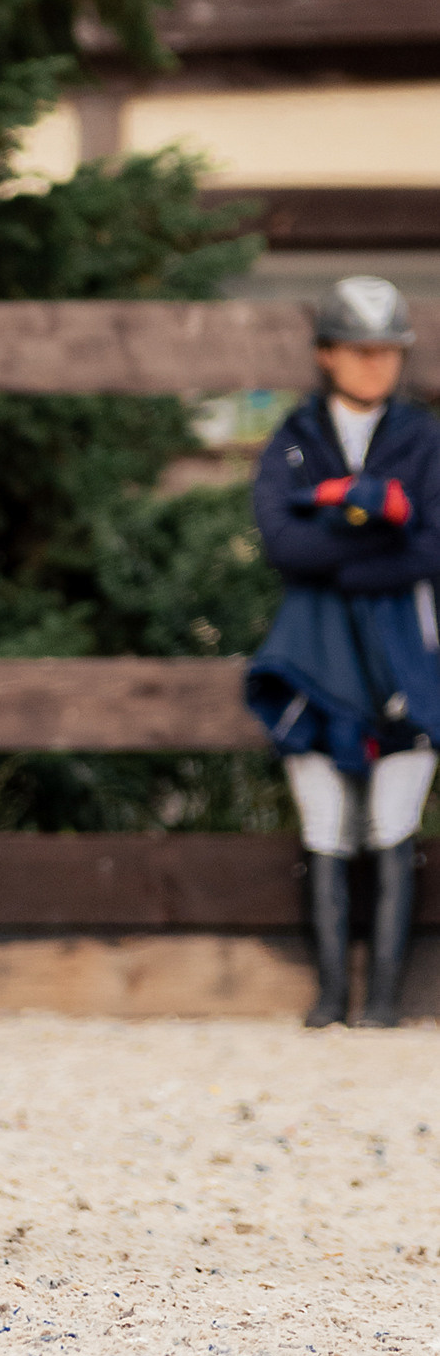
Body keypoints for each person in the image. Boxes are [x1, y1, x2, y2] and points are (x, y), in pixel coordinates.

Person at [247, 275, 440, 1027]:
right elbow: (281, 542)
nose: (374, 365)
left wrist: (339, 534)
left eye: (386, 352)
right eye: (359, 352)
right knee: (322, 818)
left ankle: (383, 1003)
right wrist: (375, 528)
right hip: (315, 645)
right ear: (327, 354)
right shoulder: (295, 435)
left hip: (405, 649)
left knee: (392, 818)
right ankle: (329, 996)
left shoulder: (423, 437)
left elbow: (430, 546)